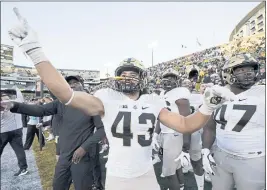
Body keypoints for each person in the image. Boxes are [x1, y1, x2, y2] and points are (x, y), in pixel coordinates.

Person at [5, 8, 234, 190]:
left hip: (145, 174)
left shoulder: (153, 100)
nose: (128, 77)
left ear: (143, 78)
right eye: (123, 73)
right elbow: (66, 94)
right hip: (117, 176)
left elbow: (185, 124)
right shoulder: (105, 97)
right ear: (116, 77)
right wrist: (34, 49)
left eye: (133, 74)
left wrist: (207, 106)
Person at [6, 75, 106, 190]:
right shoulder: (61, 103)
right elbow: (41, 110)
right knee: (58, 186)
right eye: (69, 83)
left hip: (83, 157)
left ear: (82, 84)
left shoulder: (92, 103)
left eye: (75, 82)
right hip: (64, 156)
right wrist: (15, 105)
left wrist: (84, 148)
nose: (72, 85)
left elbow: (102, 129)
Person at [202, 53, 265, 190]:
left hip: (252, 159)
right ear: (228, 73)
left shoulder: (262, 92)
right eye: (241, 70)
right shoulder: (218, 93)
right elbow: (210, 127)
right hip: (220, 155)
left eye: (250, 69)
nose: (248, 73)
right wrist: (205, 150)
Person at [152, 69, 191, 190]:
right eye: (166, 77)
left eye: (172, 78)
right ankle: (181, 185)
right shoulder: (163, 94)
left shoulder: (181, 93)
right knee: (176, 165)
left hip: (174, 134)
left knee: (168, 172)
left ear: (177, 80)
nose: (168, 80)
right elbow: (161, 116)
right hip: (165, 133)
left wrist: (186, 143)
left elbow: (186, 120)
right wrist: (156, 133)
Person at [0, 88, 28, 176]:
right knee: (19, 150)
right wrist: (9, 89)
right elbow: (18, 92)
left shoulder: (1, 105)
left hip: (3, 131)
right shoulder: (17, 102)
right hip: (17, 129)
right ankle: (23, 168)